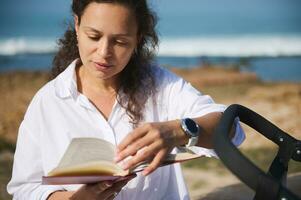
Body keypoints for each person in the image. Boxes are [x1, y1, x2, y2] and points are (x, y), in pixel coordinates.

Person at [7, 0, 245, 199]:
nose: (104, 52)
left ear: (138, 38)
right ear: (77, 25)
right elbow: (24, 189)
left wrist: (181, 130)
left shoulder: (161, 87)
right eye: (94, 36)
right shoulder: (48, 101)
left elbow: (232, 129)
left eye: (120, 42)